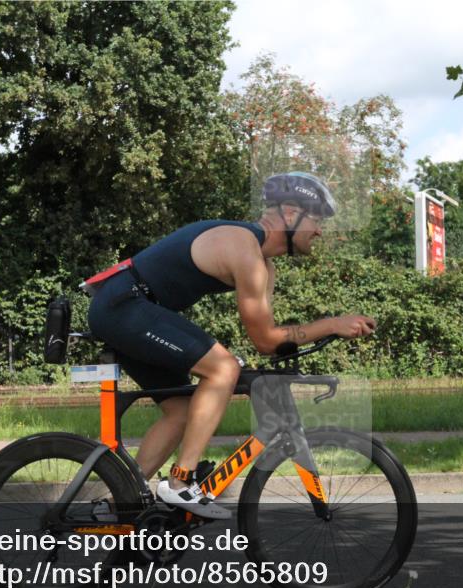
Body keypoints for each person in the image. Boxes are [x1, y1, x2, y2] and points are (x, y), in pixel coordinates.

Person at [85, 172, 376, 519]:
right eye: (315, 219)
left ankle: (121, 504)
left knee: (180, 411)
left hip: (140, 311)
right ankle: (180, 483)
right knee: (223, 368)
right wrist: (330, 323)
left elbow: (266, 340)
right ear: (288, 213)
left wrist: (325, 332)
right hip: (123, 306)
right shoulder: (244, 249)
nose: (318, 230)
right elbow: (266, 338)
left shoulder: (266, 267)